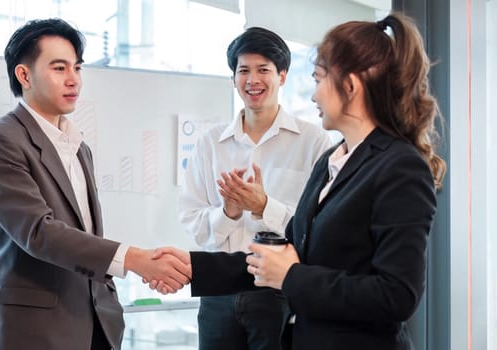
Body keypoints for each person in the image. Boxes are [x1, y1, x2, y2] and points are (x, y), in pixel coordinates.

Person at [154, 12, 446, 350]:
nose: (313, 96)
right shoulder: (332, 160)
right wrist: (191, 267)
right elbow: (287, 250)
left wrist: (292, 277)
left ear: (350, 86)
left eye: (319, 79)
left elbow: (397, 296)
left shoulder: (399, 167)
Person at [0, 18, 190, 350]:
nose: (73, 79)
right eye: (59, 68)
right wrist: (135, 259)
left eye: (77, 68)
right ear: (24, 75)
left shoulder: (78, 146)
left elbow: (84, 234)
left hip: (95, 322)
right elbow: (38, 233)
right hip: (33, 332)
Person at [178, 26, 332, 350]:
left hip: (279, 290)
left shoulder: (312, 141)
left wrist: (265, 207)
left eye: (263, 70)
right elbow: (192, 220)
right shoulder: (209, 143)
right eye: (243, 70)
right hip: (217, 290)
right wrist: (228, 212)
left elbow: (319, 228)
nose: (252, 80)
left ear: (283, 76)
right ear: (233, 78)